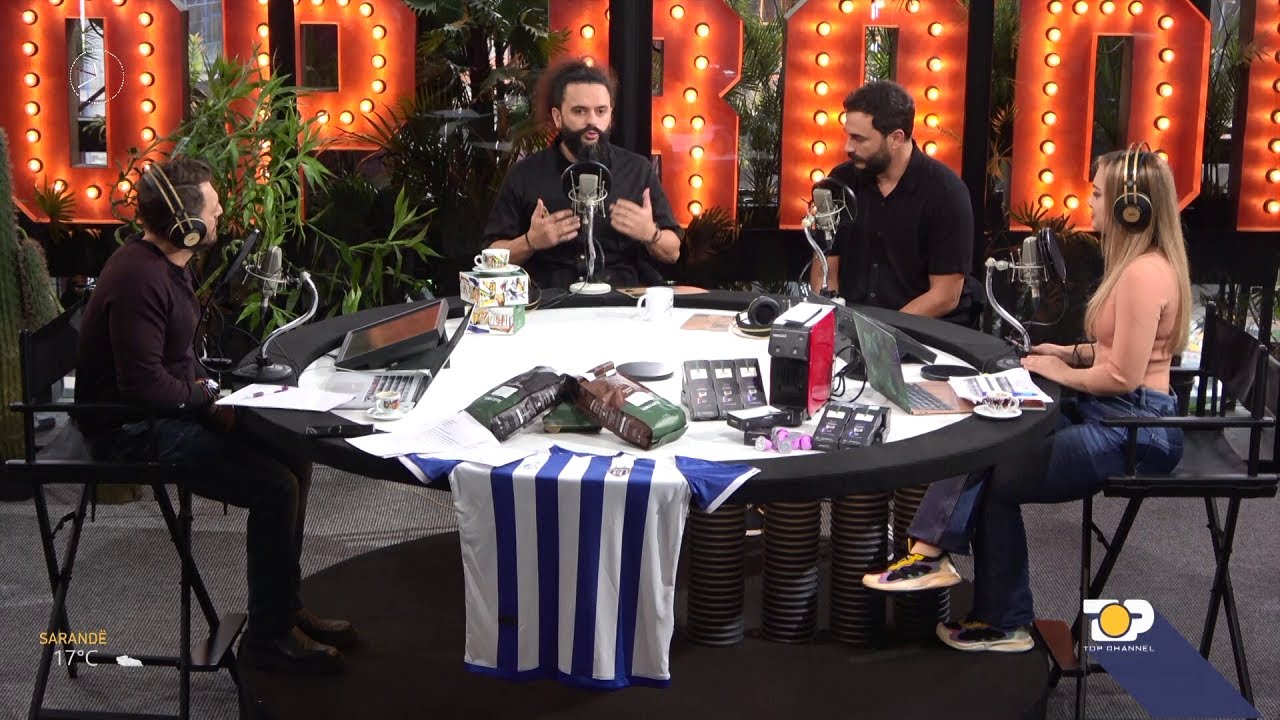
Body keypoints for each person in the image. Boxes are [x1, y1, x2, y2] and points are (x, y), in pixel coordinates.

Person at [859, 146, 1191, 652]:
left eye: (1098, 194)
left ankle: (995, 612)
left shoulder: (1144, 274)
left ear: (1132, 208)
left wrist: (1060, 370)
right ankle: (940, 562)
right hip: (1112, 410)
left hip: (1137, 429)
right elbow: (1119, 351)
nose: (1090, 202)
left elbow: (1123, 375)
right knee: (994, 431)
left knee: (1004, 477)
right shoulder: (1138, 265)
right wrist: (1066, 352)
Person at [73, 157, 355, 673]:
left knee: (295, 453)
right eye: (213, 205)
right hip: (129, 429)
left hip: (165, 411)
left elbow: (175, 363)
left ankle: (283, 607)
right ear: (187, 223)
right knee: (275, 487)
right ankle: (270, 636)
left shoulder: (168, 264)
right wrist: (205, 397)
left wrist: (215, 398)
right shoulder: (139, 279)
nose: (222, 212)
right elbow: (143, 386)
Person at [482, 58, 681, 289]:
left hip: (621, 301)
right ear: (558, 117)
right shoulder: (525, 174)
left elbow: (673, 252)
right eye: (579, 111)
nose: (592, 121)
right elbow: (489, 257)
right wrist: (530, 242)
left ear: (611, 115)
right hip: (550, 303)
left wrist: (651, 234)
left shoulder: (637, 170)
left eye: (601, 111)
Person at [810, 80, 980, 325]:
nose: (848, 147)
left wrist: (879, 333)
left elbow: (945, 296)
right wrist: (832, 323)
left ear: (896, 138)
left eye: (859, 139)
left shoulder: (946, 193)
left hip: (924, 331)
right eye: (848, 135)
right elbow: (825, 268)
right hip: (852, 325)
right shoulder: (840, 181)